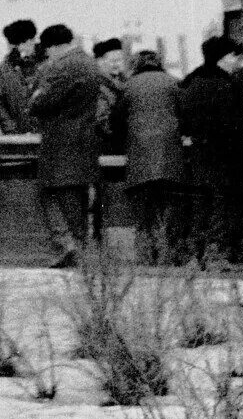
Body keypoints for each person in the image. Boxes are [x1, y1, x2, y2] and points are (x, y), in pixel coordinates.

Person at [27, 22, 100, 267]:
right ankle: (81, 249)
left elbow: (40, 102)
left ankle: (73, 248)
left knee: (59, 195)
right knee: (78, 197)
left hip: (61, 142)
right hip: (85, 139)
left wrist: (35, 98)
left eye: (47, 50)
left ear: (53, 47)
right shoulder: (89, 62)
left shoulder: (62, 66)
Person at [178, 34, 243, 266]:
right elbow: (235, 122)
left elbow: (183, 120)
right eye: (231, 56)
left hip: (198, 151)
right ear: (220, 58)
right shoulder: (227, 85)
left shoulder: (190, 82)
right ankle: (216, 253)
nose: (235, 61)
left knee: (200, 203)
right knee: (221, 202)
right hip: (224, 153)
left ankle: (195, 253)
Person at [112, 45, 184, 265]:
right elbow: (184, 112)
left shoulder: (128, 86)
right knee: (168, 207)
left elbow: (116, 121)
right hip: (170, 153)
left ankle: (144, 256)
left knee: (143, 210)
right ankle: (167, 254)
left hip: (140, 154)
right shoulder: (173, 83)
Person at [91, 38, 128, 243]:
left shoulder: (121, 83)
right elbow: (102, 120)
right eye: (112, 60)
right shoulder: (99, 87)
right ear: (99, 61)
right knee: (102, 194)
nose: (117, 64)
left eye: (120, 59)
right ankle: (99, 239)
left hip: (114, 148)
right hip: (104, 146)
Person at [0, 16, 42, 138]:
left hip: (49, 136)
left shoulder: (50, 63)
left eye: (25, 42)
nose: (22, 48)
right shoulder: (6, 66)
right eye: (17, 44)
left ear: (33, 39)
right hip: (19, 136)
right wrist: (10, 129)